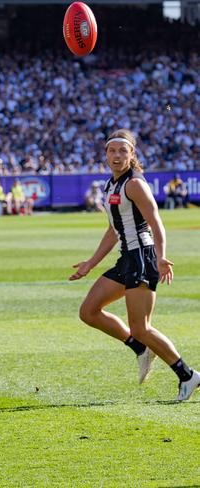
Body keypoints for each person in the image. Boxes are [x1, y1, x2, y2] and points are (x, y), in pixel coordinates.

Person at [69, 129, 200, 401]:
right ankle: (140, 349)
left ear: (132, 155)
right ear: (105, 154)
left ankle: (188, 375)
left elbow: (156, 222)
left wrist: (162, 257)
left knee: (142, 327)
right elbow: (113, 230)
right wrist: (90, 264)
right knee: (89, 311)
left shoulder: (134, 184)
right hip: (127, 258)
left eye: (122, 151)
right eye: (112, 151)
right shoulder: (110, 185)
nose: (116, 156)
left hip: (142, 257)